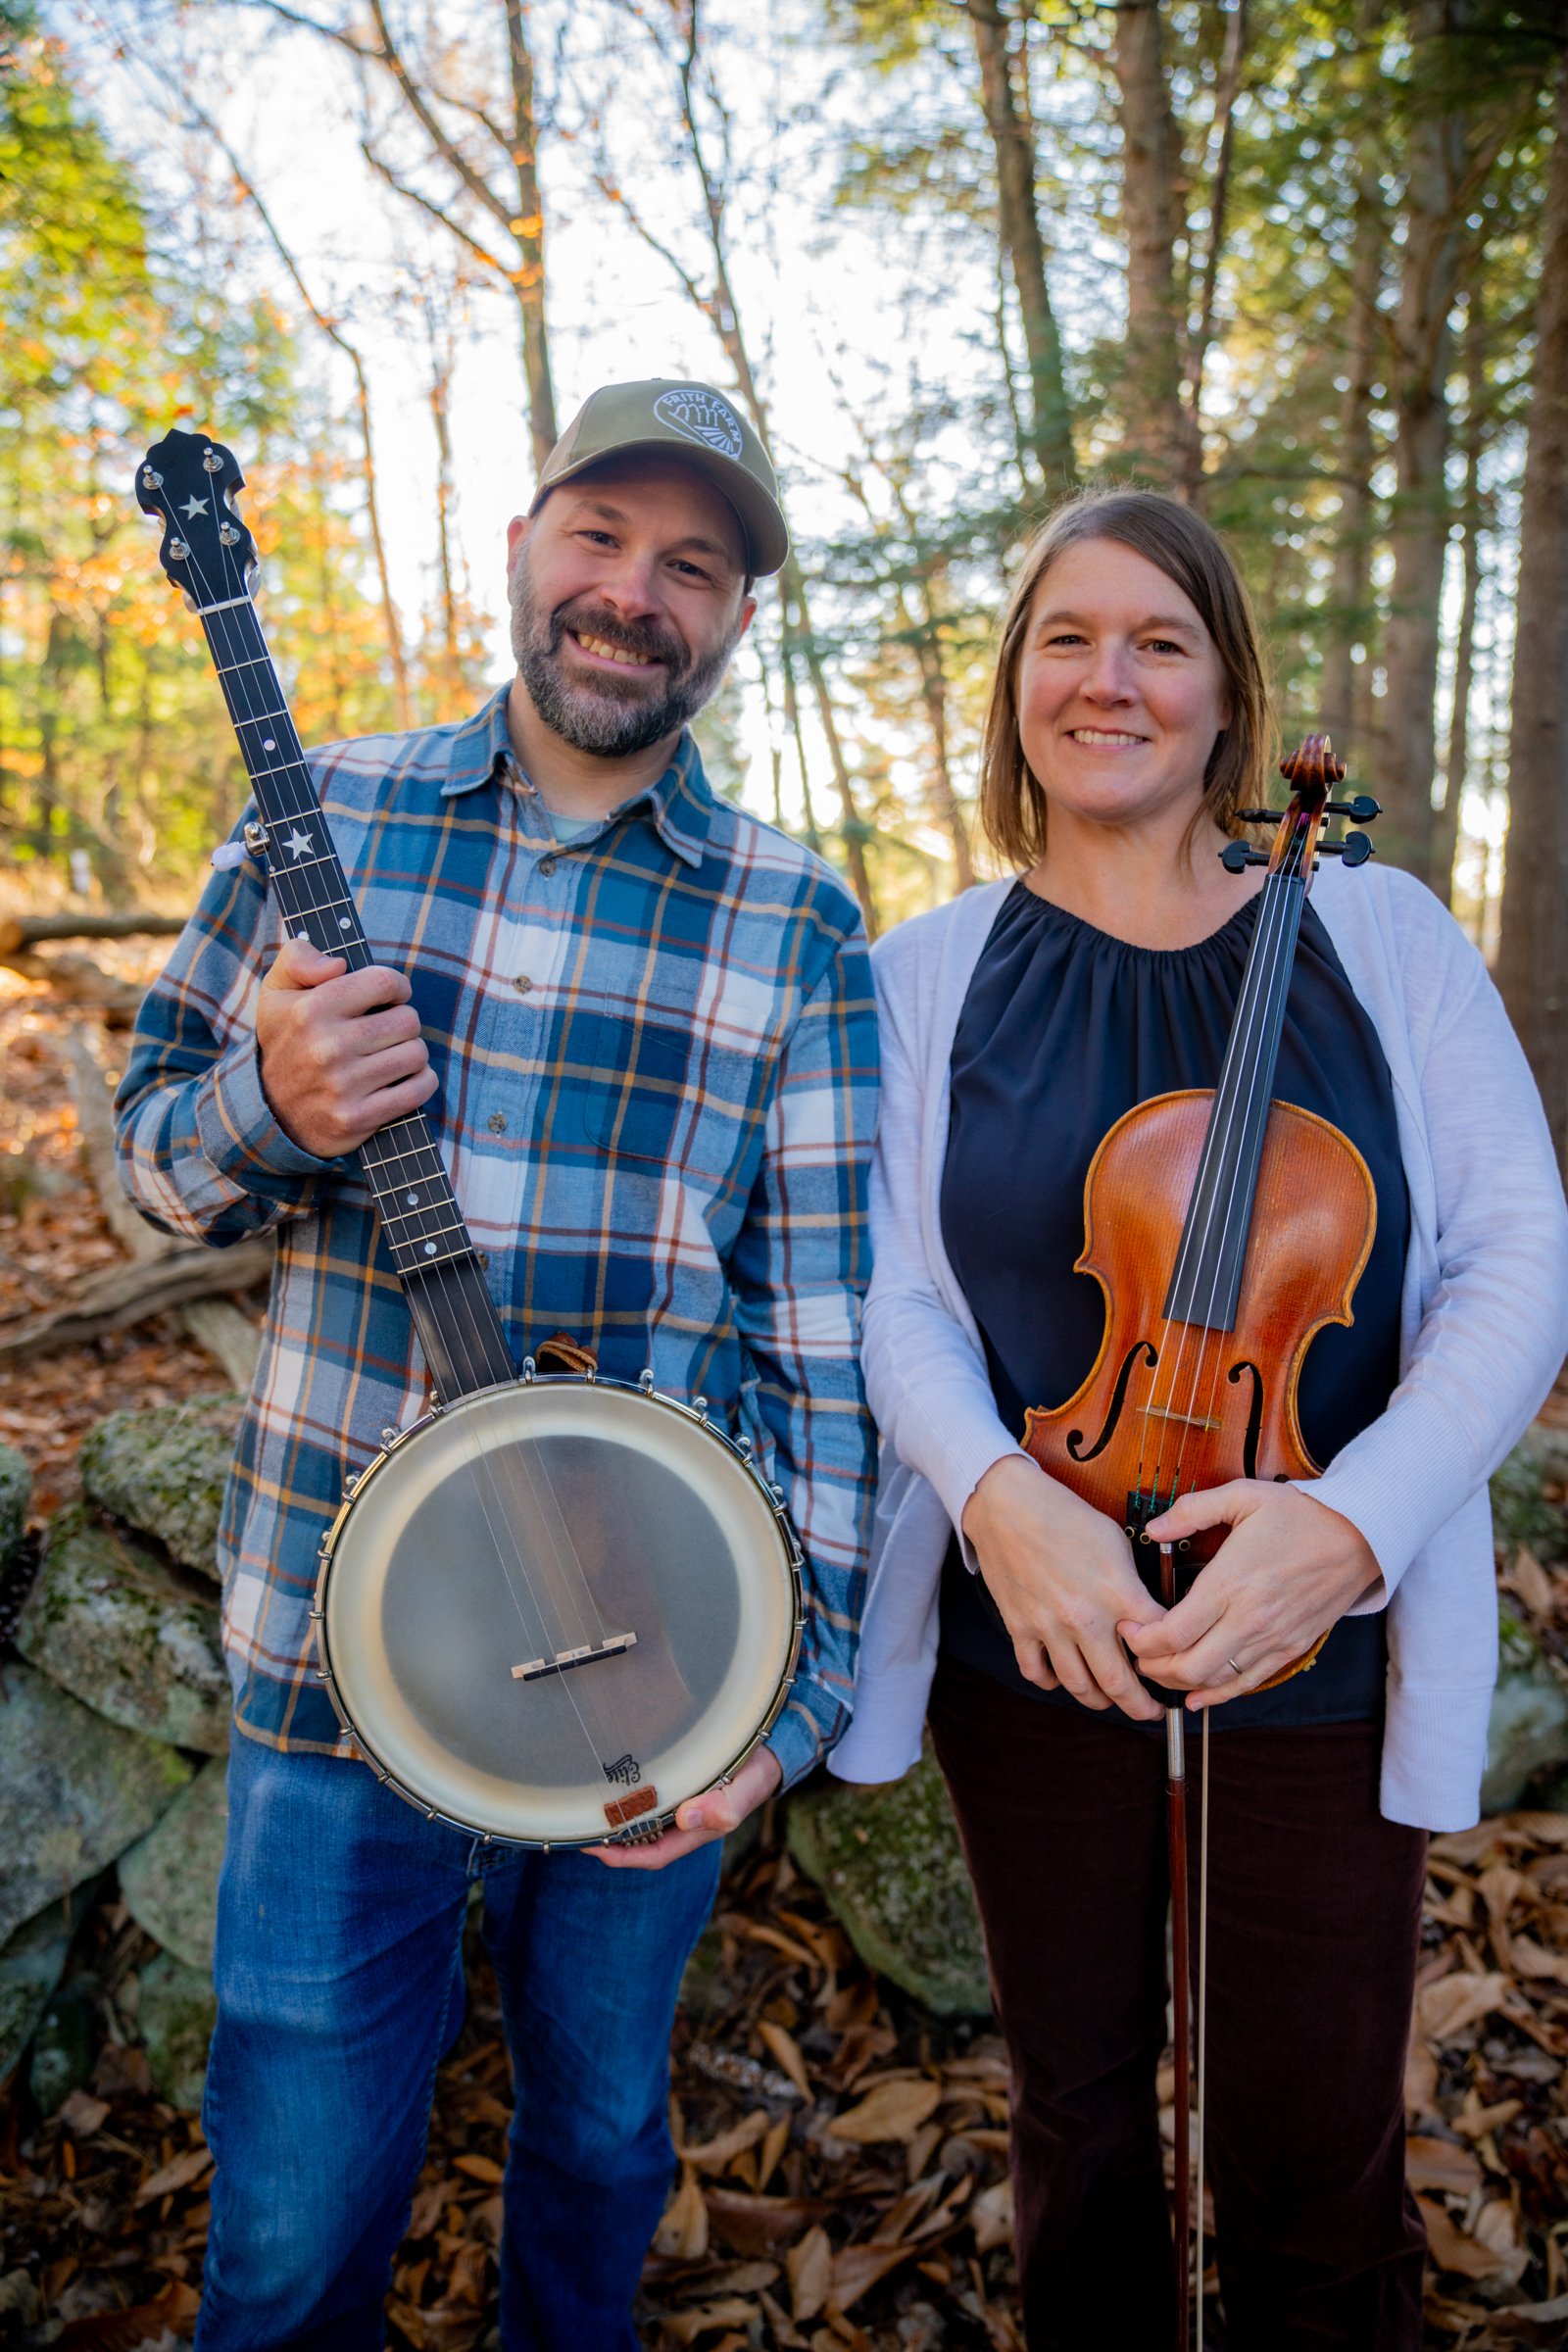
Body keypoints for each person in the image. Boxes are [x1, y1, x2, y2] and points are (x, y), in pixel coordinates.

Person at [115, 378, 878, 2352]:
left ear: (730, 620)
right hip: (328, 1662)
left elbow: (819, 1340)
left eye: (691, 567)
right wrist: (267, 1105)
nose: (635, 593)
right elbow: (143, 1179)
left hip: (653, 1664)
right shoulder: (328, 819)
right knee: (284, 2219)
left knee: (602, 2150)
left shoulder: (792, 920)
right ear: (524, 542)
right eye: (601, 538)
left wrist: (785, 1700)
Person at [829, 487, 1568, 2351]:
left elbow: (1513, 1260)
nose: (1111, 680)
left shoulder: (1379, 933)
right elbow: (894, 1294)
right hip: (1045, 1637)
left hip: (1314, 1647)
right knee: (1078, 2131)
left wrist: (1353, 1521)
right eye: (1067, 639)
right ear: (1012, 692)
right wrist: (1000, 1497)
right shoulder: (925, 976)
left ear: (1227, 696)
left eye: (1159, 640)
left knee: (1314, 2159)